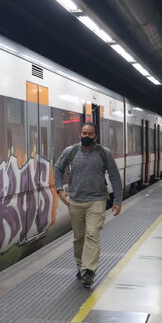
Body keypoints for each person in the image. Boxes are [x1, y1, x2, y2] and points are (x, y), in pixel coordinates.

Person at [54, 122, 122, 288]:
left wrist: (117, 201)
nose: (86, 136)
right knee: (79, 238)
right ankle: (80, 266)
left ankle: (89, 270)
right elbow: (57, 168)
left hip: (97, 201)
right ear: (79, 135)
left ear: (96, 136)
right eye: (84, 133)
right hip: (75, 201)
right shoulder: (71, 151)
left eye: (90, 134)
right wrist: (60, 190)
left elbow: (114, 176)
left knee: (92, 234)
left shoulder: (104, 153)